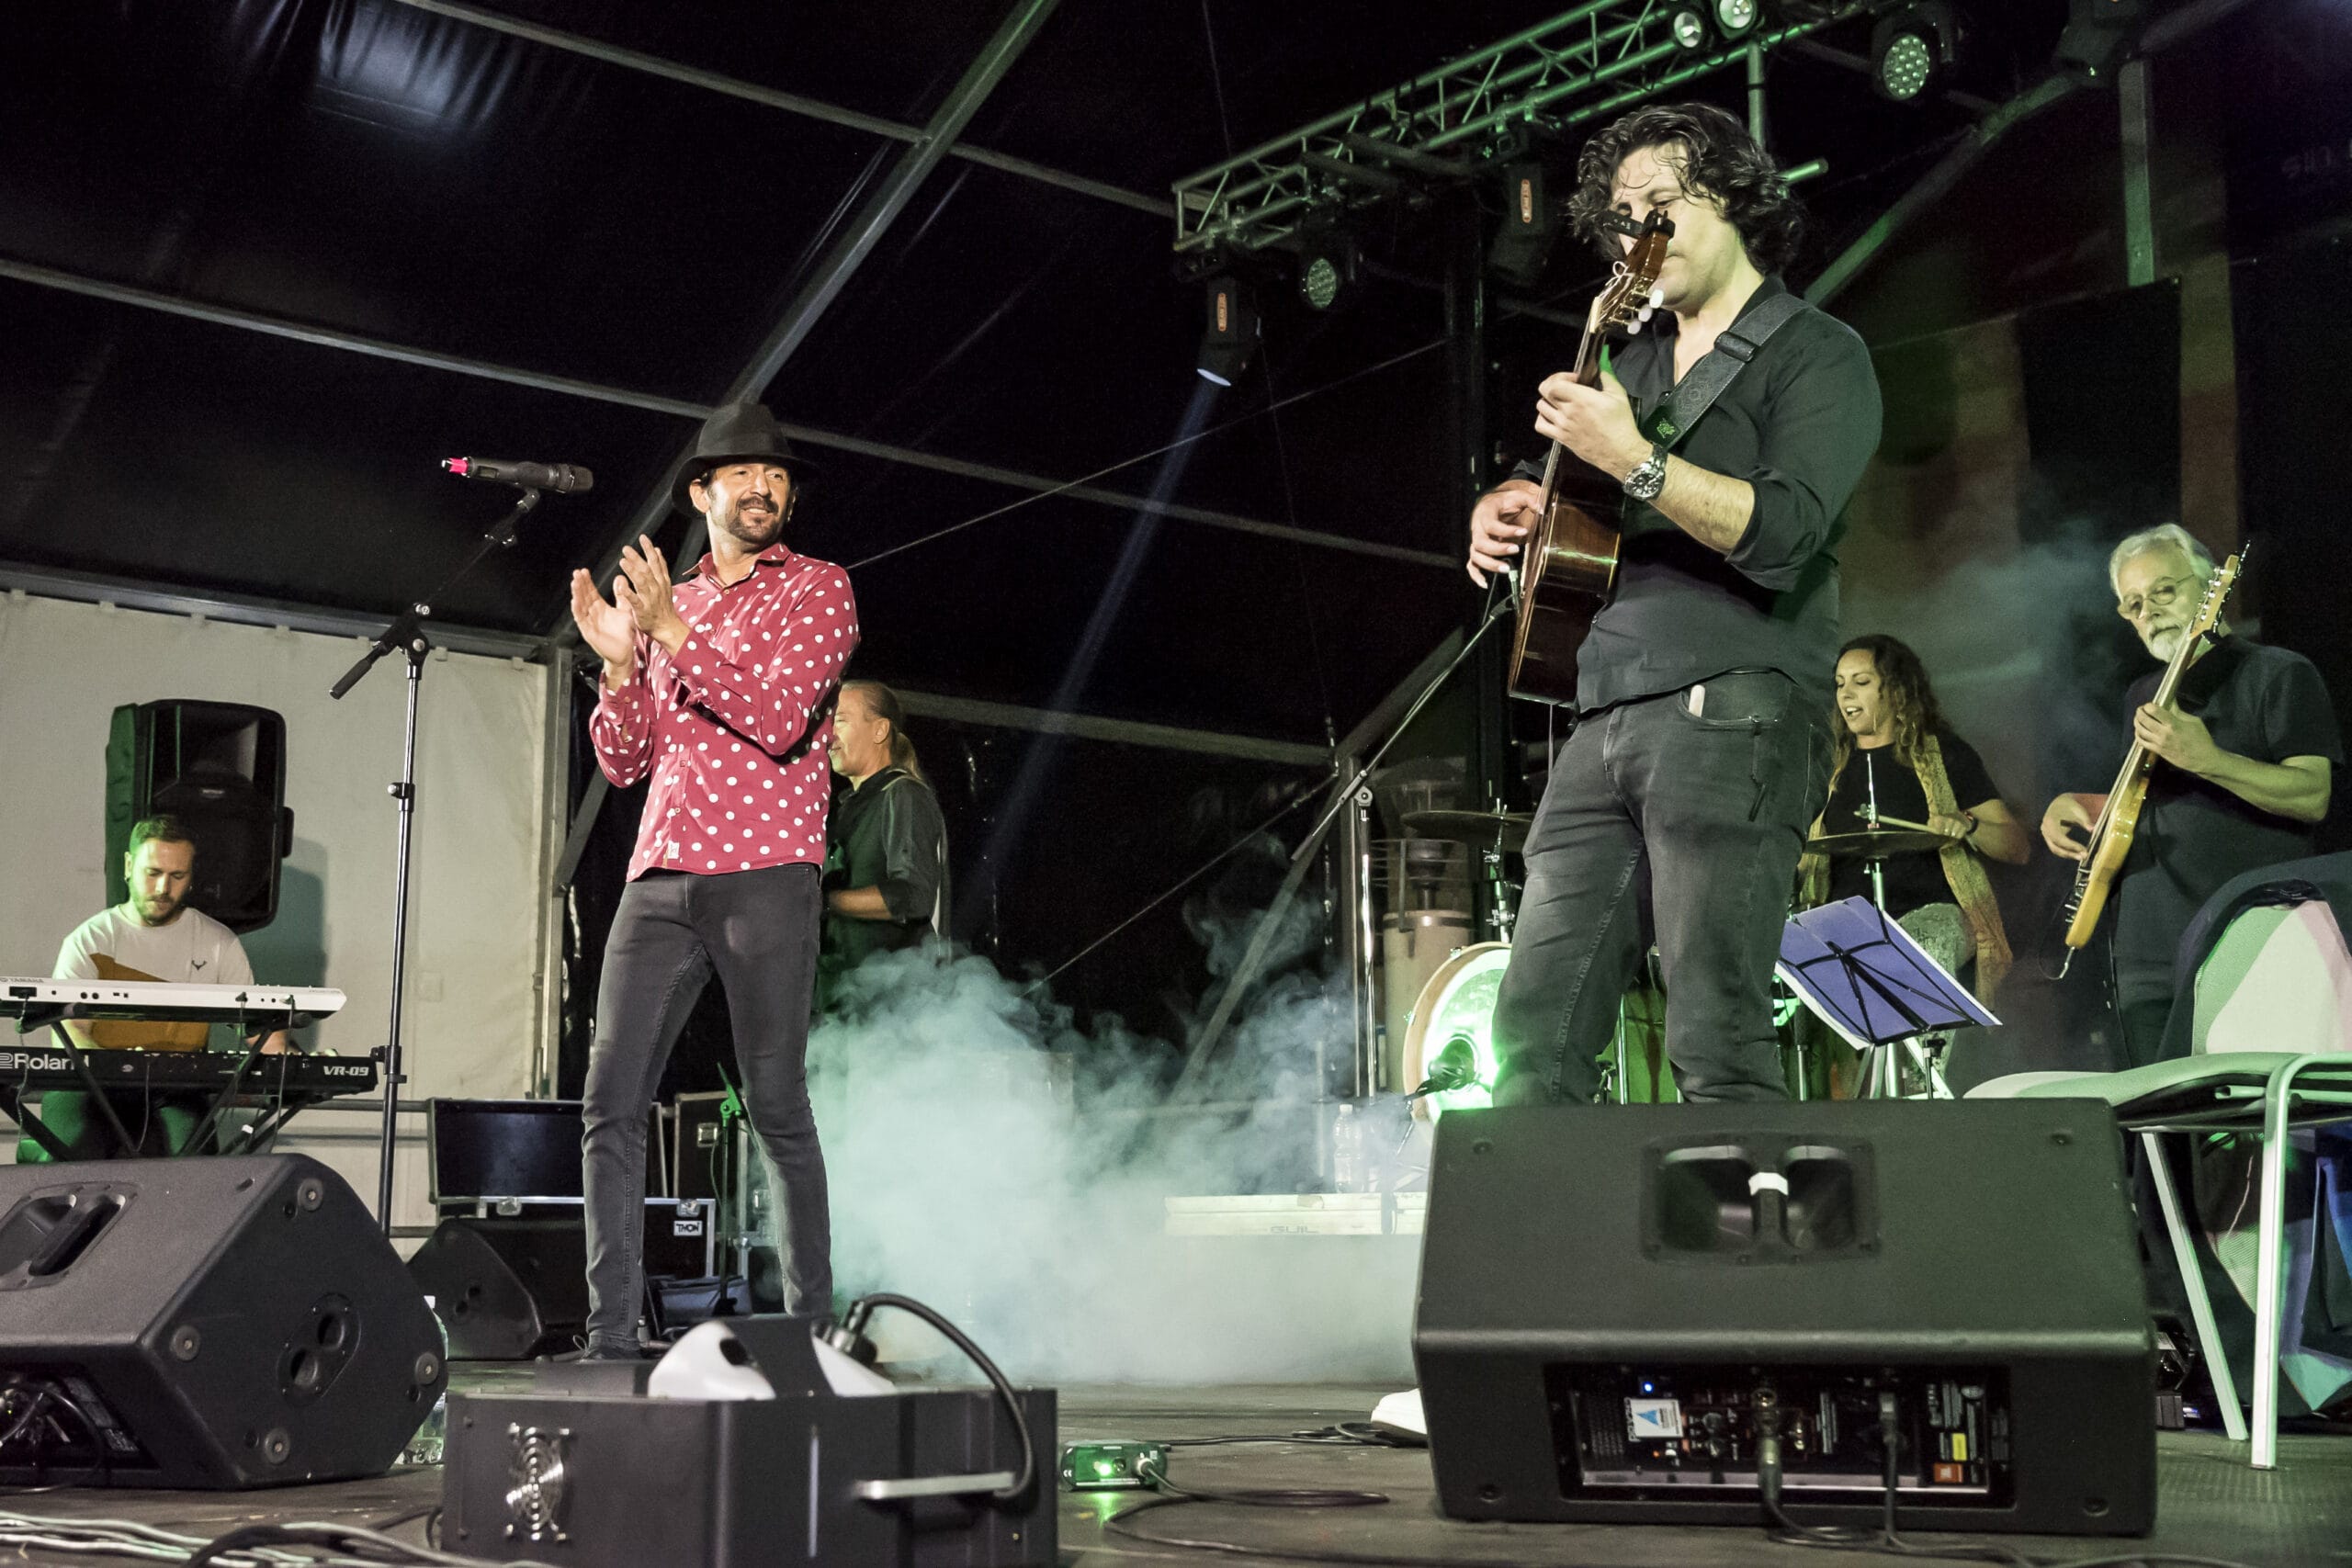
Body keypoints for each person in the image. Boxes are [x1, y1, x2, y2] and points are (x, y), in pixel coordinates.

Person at [1464, 102, 1883, 1105]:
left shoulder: (1816, 351)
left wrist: (1637, 460)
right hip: (1601, 712)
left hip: (1736, 702)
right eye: (1623, 219)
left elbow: (1785, 532)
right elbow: (1559, 481)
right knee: (1528, 1040)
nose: (1639, 235)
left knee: (1715, 1035)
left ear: (1734, 200)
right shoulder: (1632, 359)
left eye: (1663, 205)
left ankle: (1746, 1213)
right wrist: (1506, 500)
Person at [567, 400, 857, 1359]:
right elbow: (624, 762)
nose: (763, 488)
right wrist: (620, 669)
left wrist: (673, 633)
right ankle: (611, 1336)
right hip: (660, 875)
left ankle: (810, 1335)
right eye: (742, 473)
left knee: (775, 1105)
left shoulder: (817, 589)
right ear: (702, 493)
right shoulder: (670, 602)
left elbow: (779, 718)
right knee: (609, 1102)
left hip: (766, 870)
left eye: (776, 476)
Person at [2041, 524, 2338, 1066]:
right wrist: (2081, 804)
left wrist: (2209, 759)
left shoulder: (2278, 673)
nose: (2149, 611)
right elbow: (2151, 803)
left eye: (2163, 590)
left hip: (2247, 940)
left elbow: (2313, 794)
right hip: (2145, 953)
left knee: (2249, 1108)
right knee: (2159, 1113)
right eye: (2133, 603)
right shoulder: (2143, 694)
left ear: (2210, 588)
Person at [28, 815, 288, 1162]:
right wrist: (121, 1066)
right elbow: (71, 1032)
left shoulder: (218, 943)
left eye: (177, 876)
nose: (163, 888)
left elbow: (259, 1030)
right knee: (74, 1152)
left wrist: (293, 1062)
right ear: (128, 866)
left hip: (178, 1087)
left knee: (194, 1164)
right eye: (153, 873)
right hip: (90, 1084)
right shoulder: (91, 939)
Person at [1804, 633, 2030, 1000]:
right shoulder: (1826, 768)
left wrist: (1968, 825)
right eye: (1840, 684)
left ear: (1896, 691)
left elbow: (2017, 846)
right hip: (1846, 921)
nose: (1845, 694)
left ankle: (1923, 1038)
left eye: (1861, 682)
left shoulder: (1944, 755)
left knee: (1924, 943)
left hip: (1935, 914)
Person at [820, 681, 947, 1005]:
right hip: (842, 1001)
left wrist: (822, 902)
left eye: (840, 720)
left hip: (895, 1005)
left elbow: (913, 896)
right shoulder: (844, 807)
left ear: (879, 730)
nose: (828, 734)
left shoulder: (904, 793)